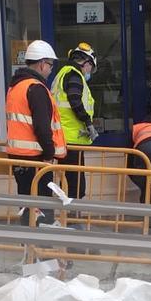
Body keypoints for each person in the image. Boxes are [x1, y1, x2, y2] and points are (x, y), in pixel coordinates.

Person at [5, 40, 66, 227]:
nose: (50, 69)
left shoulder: (15, 87)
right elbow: (42, 127)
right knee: (42, 206)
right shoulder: (36, 88)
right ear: (41, 64)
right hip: (36, 159)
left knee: (27, 205)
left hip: (19, 158)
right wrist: (49, 154)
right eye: (50, 65)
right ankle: (42, 248)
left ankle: (29, 248)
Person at [51, 42, 100, 200]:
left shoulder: (63, 74)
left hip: (65, 137)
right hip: (71, 139)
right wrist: (88, 122)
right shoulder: (74, 75)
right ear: (86, 63)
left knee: (69, 182)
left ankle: (71, 216)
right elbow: (75, 100)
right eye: (91, 67)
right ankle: (73, 218)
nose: (90, 72)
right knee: (75, 185)